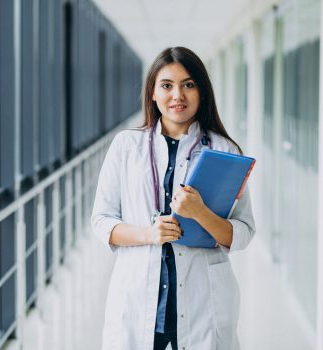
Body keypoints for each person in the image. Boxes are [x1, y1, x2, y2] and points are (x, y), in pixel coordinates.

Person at [91, 46, 255, 350]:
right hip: (139, 299)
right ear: (153, 92)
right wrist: (149, 234)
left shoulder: (225, 151)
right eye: (167, 85)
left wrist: (200, 212)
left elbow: (243, 231)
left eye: (189, 84)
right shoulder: (126, 147)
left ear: (202, 92)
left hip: (203, 300)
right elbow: (101, 221)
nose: (177, 95)